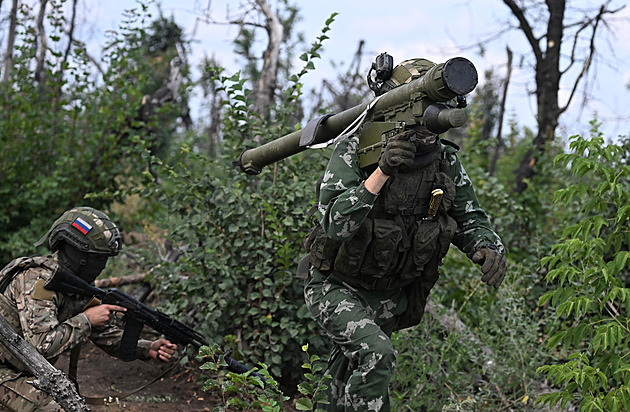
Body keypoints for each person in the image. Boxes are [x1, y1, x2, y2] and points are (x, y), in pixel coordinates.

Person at [303, 57, 507, 411]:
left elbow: (470, 218)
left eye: (439, 110)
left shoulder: (444, 161)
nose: (430, 123)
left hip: (390, 294)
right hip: (336, 285)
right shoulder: (356, 150)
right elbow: (336, 224)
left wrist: (487, 247)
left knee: (347, 374)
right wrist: (381, 171)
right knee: (376, 356)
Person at [0, 207, 177, 411]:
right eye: (97, 257)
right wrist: (86, 320)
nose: (101, 265)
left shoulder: (75, 284)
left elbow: (104, 334)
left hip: (26, 370)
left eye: (104, 258)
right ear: (76, 252)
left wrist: (147, 347)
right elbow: (41, 345)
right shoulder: (37, 281)